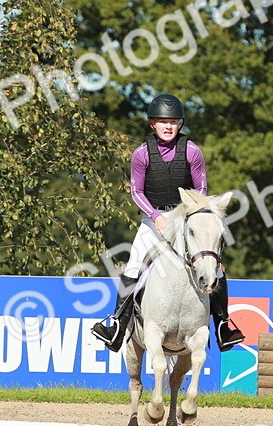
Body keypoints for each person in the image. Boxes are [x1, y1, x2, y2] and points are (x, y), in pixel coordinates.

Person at [90, 93, 245, 353]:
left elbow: (201, 189)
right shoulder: (141, 154)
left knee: (215, 268)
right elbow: (136, 192)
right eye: (163, 122)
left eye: (173, 122)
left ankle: (223, 325)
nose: (168, 126)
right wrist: (156, 217)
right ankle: (116, 324)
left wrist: (190, 217)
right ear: (153, 124)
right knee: (134, 264)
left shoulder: (192, 151)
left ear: (180, 124)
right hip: (154, 220)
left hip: (185, 221)